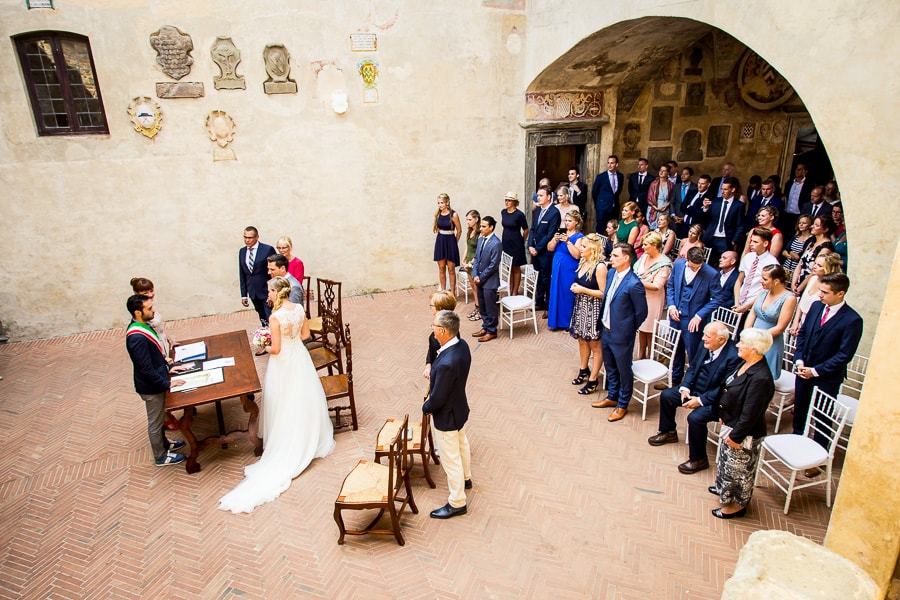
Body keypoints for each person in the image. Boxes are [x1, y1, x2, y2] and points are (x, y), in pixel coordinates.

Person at [219, 277, 335, 513]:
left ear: (276, 293)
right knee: (302, 398)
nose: (267, 295)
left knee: (283, 402)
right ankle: (309, 436)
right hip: (300, 359)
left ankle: (288, 441)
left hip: (283, 364)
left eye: (269, 291)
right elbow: (304, 336)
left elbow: (277, 349)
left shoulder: (275, 317)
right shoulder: (299, 309)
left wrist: (262, 344)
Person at [647, 322, 741, 474]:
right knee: (667, 396)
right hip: (695, 388)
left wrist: (700, 401)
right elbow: (693, 366)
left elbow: (725, 388)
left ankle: (699, 459)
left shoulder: (734, 356)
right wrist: (685, 387)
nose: (703, 339)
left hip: (716, 399)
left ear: (721, 340)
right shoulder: (706, 344)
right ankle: (668, 431)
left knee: (696, 418)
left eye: (707, 337)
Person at [709, 328, 775, 519]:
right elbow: (730, 389)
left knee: (739, 472)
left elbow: (751, 413)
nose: (737, 344)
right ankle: (723, 490)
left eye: (742, 343)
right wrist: (723, 412)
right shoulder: (745, 363)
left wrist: (736, 435)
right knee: (726, 463)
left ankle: (737, 505)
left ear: (754, 349)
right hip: (731, 421)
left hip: (744, 432)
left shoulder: (761, 379)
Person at [792, 273, 863, 450]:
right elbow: (803, 334)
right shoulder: (816, 306)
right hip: (803, 369)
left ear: (840, 293)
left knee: (822, 416)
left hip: (826, 377)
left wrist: (815, 371)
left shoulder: (852, 320)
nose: (820, 295)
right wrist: (799, 360)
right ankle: (797, 442)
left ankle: (818, 453)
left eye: (825, 292)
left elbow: (844, 355)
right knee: (800, 408)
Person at [124, 294, 187, 467]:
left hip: (157, 380)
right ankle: (160, 455)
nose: (153, 311)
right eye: (149, 308)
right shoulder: (136, 337)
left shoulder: (143, 326)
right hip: (151, 388)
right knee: (156, 422)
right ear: (138, 312)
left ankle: (166, 444)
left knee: (158, 419)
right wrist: (166, 384)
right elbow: (145, 368)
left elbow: (155, 357)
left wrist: (168, 368)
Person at [423, 310, 473, 519]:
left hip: (447, 416)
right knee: (462, 444)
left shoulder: (445, 364)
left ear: (443, 331)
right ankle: (467, 478)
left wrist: (426, 407)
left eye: (433, 326)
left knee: (450, 458)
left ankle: (457, 501)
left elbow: (438, 398)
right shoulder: (462, 346)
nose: (432, 330)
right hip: (460, 408)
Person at [591, 243, 648, 421]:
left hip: (622, 334)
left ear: (626, 258)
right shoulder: (610, 274)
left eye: (615, 256)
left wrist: (627, 329)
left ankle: (622, 404)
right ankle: (612, 396)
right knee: (610, 367)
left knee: (624, 370)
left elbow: (641, 312)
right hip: (606, 330)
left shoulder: (634, 284)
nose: (611, 258)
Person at [666, 246, 723, 384]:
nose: (695, 269)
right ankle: (674, 380)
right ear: (687, 259)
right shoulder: (679, 264)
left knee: (693, 354)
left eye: (698, 267)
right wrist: (671, 305)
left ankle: (692, 384)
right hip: (676, 315)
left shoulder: (711, 273)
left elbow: (717, 299)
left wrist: (699, 316)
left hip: (693, 319)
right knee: (676, 349)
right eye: (692, 267)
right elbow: (671, 286)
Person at [131, 277, 180, 430]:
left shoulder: (149, 308)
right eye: (146, 292)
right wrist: (163, 358)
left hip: (163, 345)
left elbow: (159, 329)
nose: (150, 295)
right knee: (160, 382)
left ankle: (166, 411)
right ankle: (164, 416)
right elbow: (149, 336)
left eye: (151, 291)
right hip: (157, 350)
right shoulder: (141, 315)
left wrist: (169, 340)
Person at [568, 234, 608, 395]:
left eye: (583, 246)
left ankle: (593, 379)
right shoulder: (583, 261)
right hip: (580, 306)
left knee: (595, 345)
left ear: (593, 248)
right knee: (582, 340)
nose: (580, 249)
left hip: (594, 309)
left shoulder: (600, 267)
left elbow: (603, 293)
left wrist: (583, 289)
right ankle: (583, 369)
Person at [744, 265, 797, 379]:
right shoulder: (764, 291)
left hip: (770, 343)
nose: (761, 281)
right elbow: (753, 313)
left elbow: (780, 327)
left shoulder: (789, 298)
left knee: (761, 379)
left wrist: (758, 338)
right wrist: (746, 333)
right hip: (752, 340)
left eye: (765, 279)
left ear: (776, 281)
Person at [634, 231, 672, 359]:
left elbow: (657, 286)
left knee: (650, 328)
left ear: (655, 245)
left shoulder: (664, 264)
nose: (642, 247)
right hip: (640, 295)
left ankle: (651, 355)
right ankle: (641, 354)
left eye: (645, 244)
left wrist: (637, 282)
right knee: (641, 326)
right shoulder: (644, 256)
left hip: (653, 299)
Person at [547, 209, 584, 330]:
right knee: (556, 291)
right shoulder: (561, 233)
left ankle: (567, 322)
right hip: (557, 265)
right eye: (565, 221)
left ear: (576, 222)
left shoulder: (579, 237)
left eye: (569, 221)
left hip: (569, 267)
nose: (566, 223)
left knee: (566, 293)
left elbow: (577, 255)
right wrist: (554, 239)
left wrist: (568, 242)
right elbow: (550, 248)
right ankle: (555, 321)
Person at [789, 251, 842, 335]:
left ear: (827, 269)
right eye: (815, 263)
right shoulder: (813, 279)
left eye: (819, 265)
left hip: (814, 325)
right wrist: (796, 322)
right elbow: (802, 302)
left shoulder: (828, 288)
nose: (814, 267)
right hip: (801, 321)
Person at [529, 185, 562, 311]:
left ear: (549, 197)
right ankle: (539, 301)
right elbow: (533, 228)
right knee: (538, 277)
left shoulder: (554, 213)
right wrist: (530, 245)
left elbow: (550, 234)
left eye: (541, 195)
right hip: (535, 250)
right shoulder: (537, 210)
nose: (538, 197)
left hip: (545, 252)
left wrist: (537, 248)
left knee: (546, 277)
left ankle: (549, 306)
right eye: (538, 195)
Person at [733, 229, 779, 316]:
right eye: (751, 241)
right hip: (739, 300)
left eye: (755, 242)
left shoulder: (772, 263)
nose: (751, 244)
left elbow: (767, 290)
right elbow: (739, 281)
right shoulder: (748, 257)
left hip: (756, 304)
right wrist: (737, 302)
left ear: (765, 244)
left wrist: (747, 306)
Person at [472, 216, 502, 343]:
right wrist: (474, 275)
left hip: (490, 280)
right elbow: (476, 258)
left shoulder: (496, 243)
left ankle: (492, 331)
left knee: (490, 307)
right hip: (479, 279)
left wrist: (481, 277)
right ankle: (485, 326)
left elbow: (493, 265)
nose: (481, 228)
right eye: (481, 226)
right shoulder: (480, 240)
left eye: (484, 226)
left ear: (491, 227)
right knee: (482, 305)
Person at [239, 226, 277, 326]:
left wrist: (272, 292)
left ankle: (274, 338)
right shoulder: (242, 252)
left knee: (271, 318)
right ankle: (266, 338)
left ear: (257, 237)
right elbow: (242, 273)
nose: (247, 240)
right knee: (262, 318)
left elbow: (275, 272)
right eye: (245, 237)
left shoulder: (267, 250)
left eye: (250, 237)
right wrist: (244, 295)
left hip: (266, 292)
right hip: (253, 293)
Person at [790, 215, 835, 294]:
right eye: (813, 224)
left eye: (816, 225)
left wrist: (800, 288)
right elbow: (800, 264)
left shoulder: (825, 248)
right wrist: (793, 284)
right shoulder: (811, 243)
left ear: (825, 229)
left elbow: (814, 271)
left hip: (810, 284)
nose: (812, 226)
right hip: (799, 281)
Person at [702, 177, 743, 262]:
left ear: (732, 190)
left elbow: (740, 225)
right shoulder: (716, 201)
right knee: (707, 261)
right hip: (711, 237)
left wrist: (734, 241)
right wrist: (705, 208)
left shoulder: (739, 205)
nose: (722, 191)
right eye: (721, 189)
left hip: (726, 239)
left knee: (724, 263)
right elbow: (707, 218)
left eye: (725, 189)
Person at [423, 290, 458, 380]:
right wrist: (428, 364)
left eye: (432, 305)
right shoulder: (451, 325)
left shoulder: (442, 333)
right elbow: (432, 350)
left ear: (440, 308)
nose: (430, 307)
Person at [500, 192, 529, 296]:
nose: (507, 202)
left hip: (516, 243)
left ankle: (515, 291)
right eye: (506, 200)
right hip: (506, 242)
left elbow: (526, 230)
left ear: (514, 202)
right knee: (509, 267)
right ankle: (510, 287)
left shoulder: (519, 215)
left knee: (516, 267)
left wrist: (522, 240)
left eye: (509, 200)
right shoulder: (503, 212)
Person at [433, 193, 462, 293]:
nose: (440, 205)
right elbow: (438, 228)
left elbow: (459, 231)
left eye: (442, 203)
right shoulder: (438, 214)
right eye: (438, 203)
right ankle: (443, 292)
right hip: (440, 241)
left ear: (447, 202)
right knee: (441, 268)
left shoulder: (454, 215)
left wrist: (454, 242)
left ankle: (452, 293)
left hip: (450, 242)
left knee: (451, 269)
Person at [592, 155, 625, 232]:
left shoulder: (620, 176)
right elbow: (594, 192)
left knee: (614, 227)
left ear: (617, 164)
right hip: (602, 207)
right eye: (608, 163)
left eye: (612, 163)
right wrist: (599, 204)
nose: (609, 165)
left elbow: (618, 191)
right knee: (600, 228)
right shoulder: (601, 177)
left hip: (614, 207)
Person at [460, 209, 482, 321]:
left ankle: (481, 310)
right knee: (472, 286)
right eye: (467, 219)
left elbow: (479, 252)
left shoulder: (480, 234)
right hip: (468, 263)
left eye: (470, 219)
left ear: (476, 219)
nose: (467, 222)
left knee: (477, 287)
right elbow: (467, 246)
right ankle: (477, 307)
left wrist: (470, 263)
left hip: (474, 264)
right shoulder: (470, 231)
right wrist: (463, 260)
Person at [831, 202, 848, 271]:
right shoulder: (843, 234)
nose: (835, 214)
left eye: (838, 212)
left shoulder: (841, 229)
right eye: (833, 212)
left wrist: (833, 261)